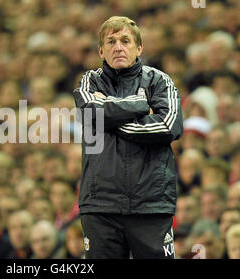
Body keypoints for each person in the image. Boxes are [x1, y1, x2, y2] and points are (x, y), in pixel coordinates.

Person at [73, 16, 183, 259]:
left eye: (125, 40)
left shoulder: (160, 81)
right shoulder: (89, 81)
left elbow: (168, 126)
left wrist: (111, 119)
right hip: (100, 205)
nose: (118, 47)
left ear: (139, 48)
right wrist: (140, 105)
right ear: (101, 51)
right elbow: (92, 114)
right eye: (111, 42)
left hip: (151, 205)